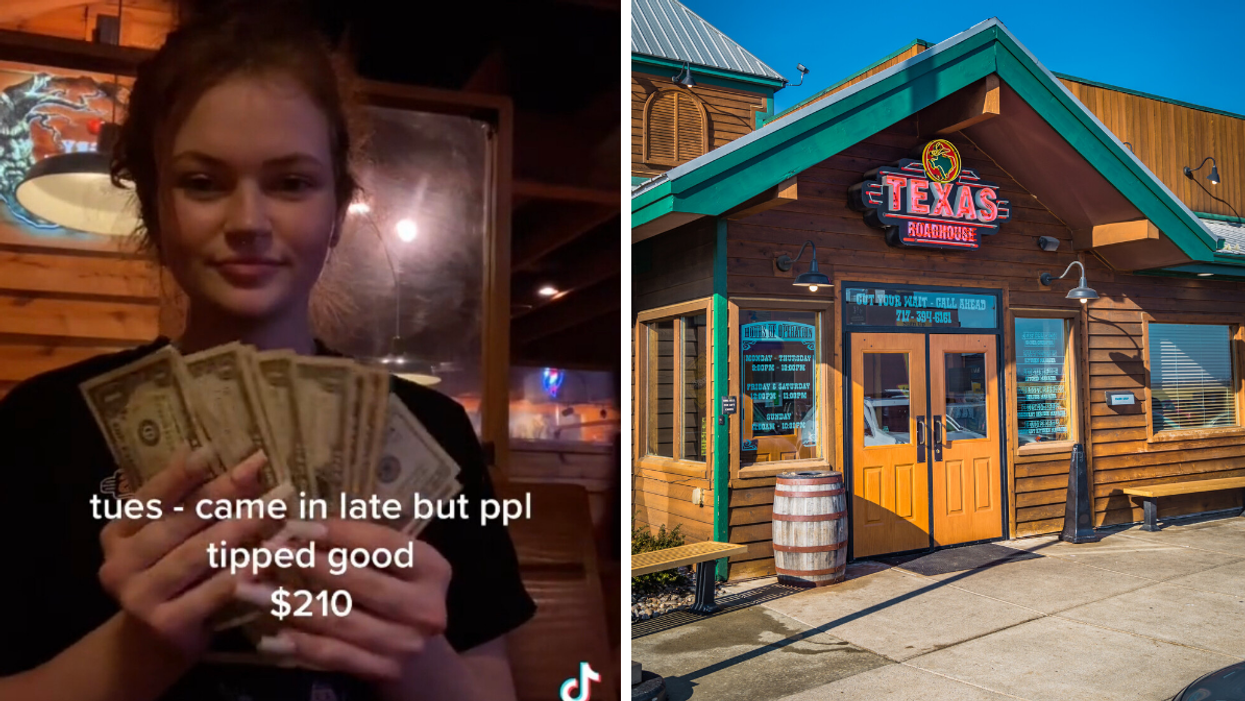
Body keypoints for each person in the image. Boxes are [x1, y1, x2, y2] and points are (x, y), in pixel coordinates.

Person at [0, 5, 535, 701]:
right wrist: (145, 647)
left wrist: (408, 654)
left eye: (291, 182)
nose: (248, 222)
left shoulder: (433, 430)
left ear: (337, 207)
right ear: (153, 204)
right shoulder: (42, 426)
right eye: (202, 182)